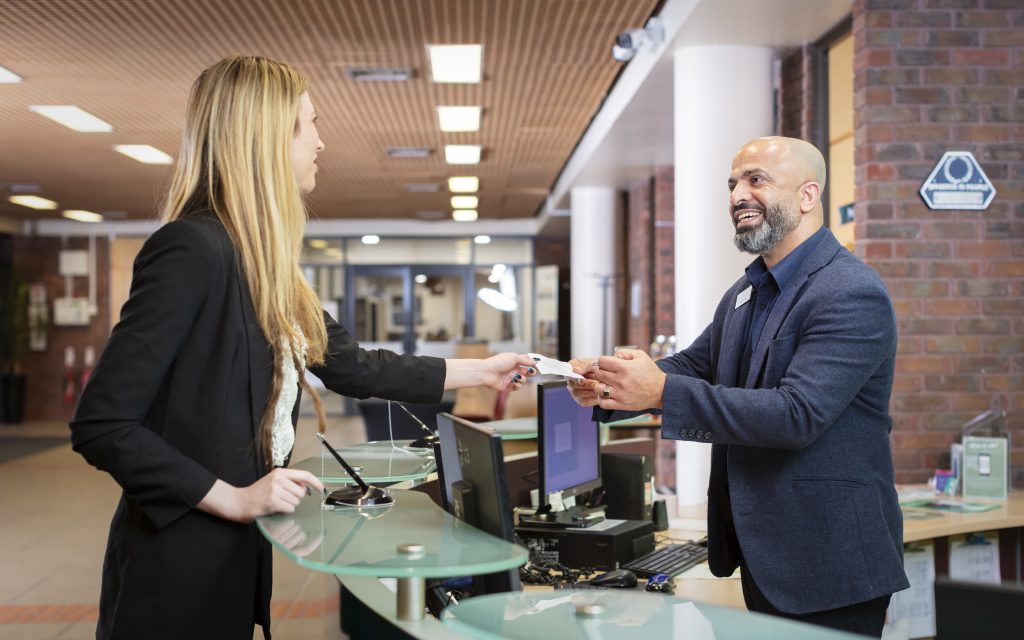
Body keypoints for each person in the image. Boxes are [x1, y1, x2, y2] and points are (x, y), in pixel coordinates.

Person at [69, 55, 535, 640]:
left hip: (232, 555)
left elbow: (351, 365)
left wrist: (483, 372)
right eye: (309, 123)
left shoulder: (266, 261)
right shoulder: (192, 249)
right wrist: (233, 499)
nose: (320, 142)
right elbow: (104, 423)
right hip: (178, 565)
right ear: (265, 138)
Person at [569, 136, 908, 636]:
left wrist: (658, 393)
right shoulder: (747, 290)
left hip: (828, 560)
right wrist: (611, 386)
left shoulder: (850, 291)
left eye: (756, 179)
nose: (737, 195)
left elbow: (797, 415)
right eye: (732, 184)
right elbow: (695, 365)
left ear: (808, 196)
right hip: (765, 552)